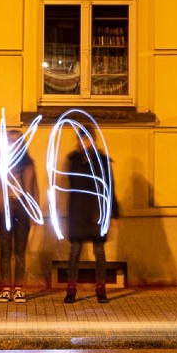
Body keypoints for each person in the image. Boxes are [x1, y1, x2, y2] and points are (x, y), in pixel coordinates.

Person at [0, 129, 39, 304]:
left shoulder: (28, 164)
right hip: (4, 209)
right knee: (5, 251)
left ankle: (19, 289)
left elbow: (34, 190)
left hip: (22, 207)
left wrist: (34, 212)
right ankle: (7, 289)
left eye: (17, 141)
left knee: (20, 252)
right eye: (10, 141)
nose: (14, 145)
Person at [64, 126, 115, 304]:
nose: (85, 143)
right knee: (75, 250)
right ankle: (71, 289)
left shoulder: (102, 160)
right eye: (82, 139)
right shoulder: (73, 160)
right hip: (77, 211)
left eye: (88, 139)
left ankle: (101, 289)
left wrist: (113, 213)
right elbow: (70, 186)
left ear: (93, 140)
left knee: (99, 251)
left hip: (96, 211)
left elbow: (109, 187)